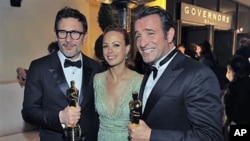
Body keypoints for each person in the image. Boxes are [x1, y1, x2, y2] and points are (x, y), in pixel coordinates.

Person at [128, 6, 223, 141]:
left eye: (150, 33)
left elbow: (210, 137)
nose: (142, 43)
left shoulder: (199, 75)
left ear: (169, 34)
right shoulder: (149, 69)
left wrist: (151, 136)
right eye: (138, 36)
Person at [21, 7, 101, 141]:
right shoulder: (38, 67)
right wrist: (60, 117)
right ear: (56, 34)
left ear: (85, 36)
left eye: (75, 33)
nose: (68, 39)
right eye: (63, 32)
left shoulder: (96, 67)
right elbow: (29, 112)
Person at [93, 24, 143, 141]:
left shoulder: (140, 82)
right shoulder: (97, 80)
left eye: (116, 45)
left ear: (127, 48)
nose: (110, 51)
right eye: (106, 46)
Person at [224, 55, 250, 125]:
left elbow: (230, 112)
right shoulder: (247, 82)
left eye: (228, 70)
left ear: (231, 70)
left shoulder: (232, 88)